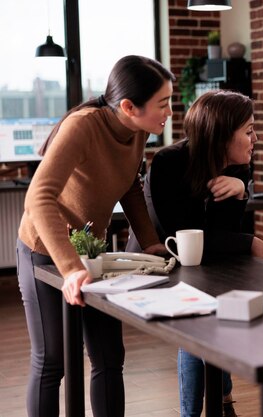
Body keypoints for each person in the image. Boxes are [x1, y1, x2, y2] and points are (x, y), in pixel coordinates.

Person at [16, 55, 174, 417]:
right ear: (129, 106)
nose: (169, 111)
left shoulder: (137, 131)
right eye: (162, 103)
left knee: (108, 355)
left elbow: (131, 187)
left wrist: (149, 241)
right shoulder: (83, 126)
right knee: (52, 359)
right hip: (43, 248)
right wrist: (71, 270)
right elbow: (39, 197)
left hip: (92, 251)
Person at [126, 90, 263, 417]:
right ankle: (194, 412)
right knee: (197, 323)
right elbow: (181, 239)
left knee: (217, 314)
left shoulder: (239, 167)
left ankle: (222, 401)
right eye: (249, 130)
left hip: (208, 260)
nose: (256, 138)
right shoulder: (169, 164)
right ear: (223, 135)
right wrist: (249, 241)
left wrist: (240, 192)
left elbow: (223, 232)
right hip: (162, 261)